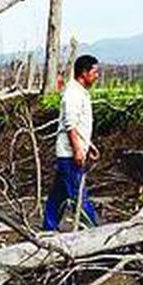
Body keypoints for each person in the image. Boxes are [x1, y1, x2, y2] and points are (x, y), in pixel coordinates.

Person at [44, 55, 100, 231]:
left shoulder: (80, 92)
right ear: (84, 73)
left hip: (72, 150)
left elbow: (78, 125)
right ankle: (95, 232)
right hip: (69, 154)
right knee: (78, 195)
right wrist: (77, 150)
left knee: (58, 193)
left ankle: (48, 227)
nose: (97, 75)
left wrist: (87, 145)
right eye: (94, 72)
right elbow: (70, 125)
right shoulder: (73, 94)